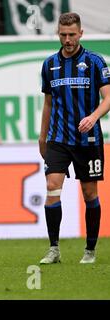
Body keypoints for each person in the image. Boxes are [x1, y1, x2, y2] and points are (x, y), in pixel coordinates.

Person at [39, 12, 110, 264]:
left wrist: (93, 117)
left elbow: (108, 98)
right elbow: (48, 103)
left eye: (71, 35)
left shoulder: (95, 62)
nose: (67, 39)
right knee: (52, 187)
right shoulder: (49, 65)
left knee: (89, 194)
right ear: (58, 34)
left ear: (81, 33)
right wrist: (42, 136)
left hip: (88, 140)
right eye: (63, 35)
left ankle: (90, 250)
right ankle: (54, 248)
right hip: (58, 138)